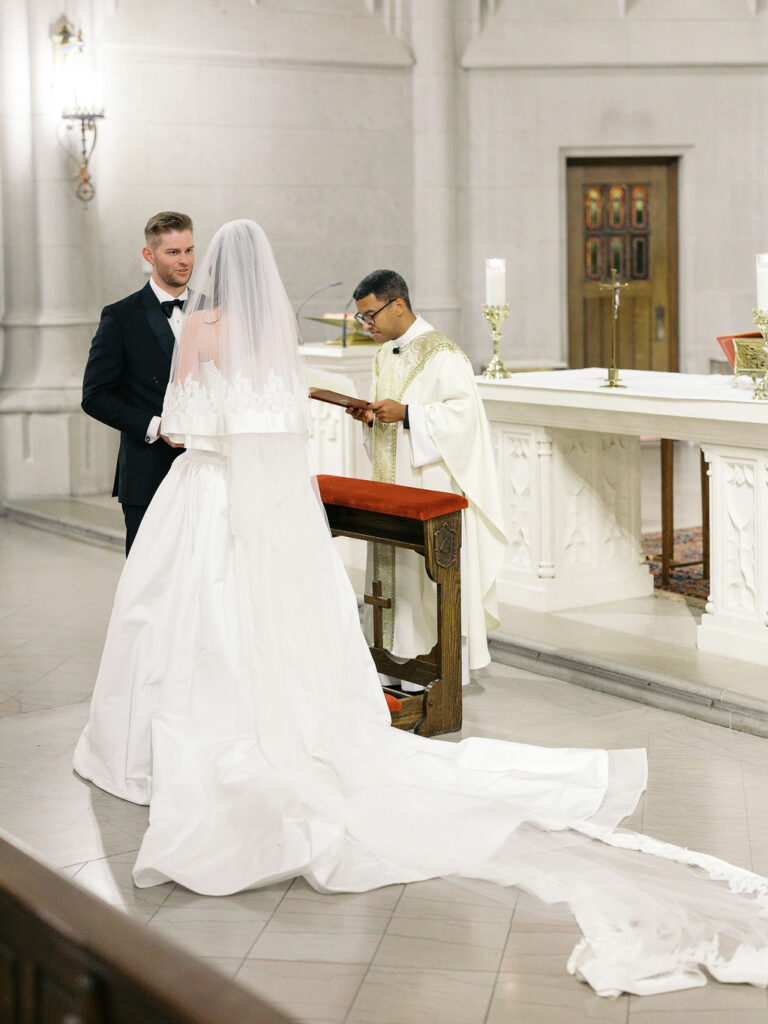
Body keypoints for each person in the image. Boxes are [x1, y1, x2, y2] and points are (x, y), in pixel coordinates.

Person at [73, 220, 768, 998]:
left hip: (204, 490)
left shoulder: (201, 328)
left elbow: (193, 420)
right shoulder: (269, 334)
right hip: (267, 506)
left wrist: (186, 431)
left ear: (208, 273)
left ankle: (175, 732)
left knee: (185, 619)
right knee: (274, 620)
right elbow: (284, 426)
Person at [347, 271, 506, 684]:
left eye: (371, 316)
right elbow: (387, 416)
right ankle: (389, 666)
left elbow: (464, 417)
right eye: (363, 318)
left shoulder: (443, 353)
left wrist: (408, 415)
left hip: (427, 485)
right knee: (392, 575)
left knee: (423, 581)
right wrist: (368, 416)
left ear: (397, 305)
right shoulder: (384, 354)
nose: (368, 326)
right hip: (391, 484)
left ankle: (429, 670)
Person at [81, 212, 194, 554]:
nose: (185, 260)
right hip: (148, 473)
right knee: (147, 586)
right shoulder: (120, 316)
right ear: (149, 255)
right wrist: (158, 427)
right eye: (173, 252)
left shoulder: (212, 310)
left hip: (207, 472)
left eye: (189, 250)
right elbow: (96, 396)